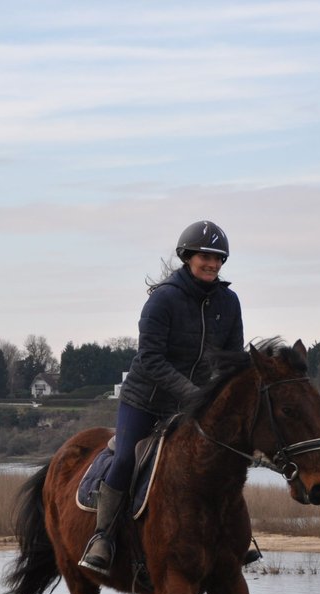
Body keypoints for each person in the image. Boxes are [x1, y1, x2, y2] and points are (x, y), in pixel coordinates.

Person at [80, 220, 245, 575]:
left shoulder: (229, 303)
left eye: (219, 258)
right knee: (125, 459)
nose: (212, 264)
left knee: (223, 460)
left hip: (194, 405)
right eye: (205, 256)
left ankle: (232, 535)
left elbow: (231, 360)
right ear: (187, 257)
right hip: (144, 401)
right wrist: (193, 394)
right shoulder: (164, 299)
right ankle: (103, 537)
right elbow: (150, 359)